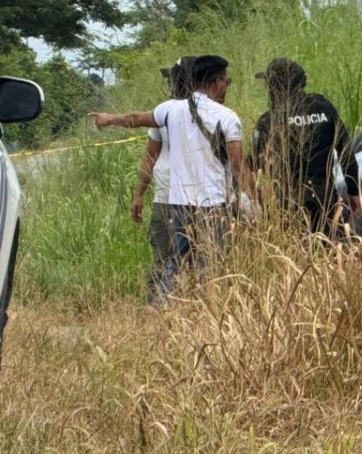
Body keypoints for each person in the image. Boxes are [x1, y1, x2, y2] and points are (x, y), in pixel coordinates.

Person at [90, 55, 249, 297]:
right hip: (214, 205)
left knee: (176, 263)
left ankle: (162, 309)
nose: (226, 85)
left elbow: (137, 119)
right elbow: (239, 167)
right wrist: (258, 197)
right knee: (211, 265)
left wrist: (111, 119)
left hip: (179, 204)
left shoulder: (170, 110)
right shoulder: (227, 116)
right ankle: (206, 312)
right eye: (226, 81)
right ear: (216, 82)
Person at [252, 58, 361, 237]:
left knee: (293, 249)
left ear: (274, 87)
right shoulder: (325, 108)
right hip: (324, 195)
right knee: (328, 248)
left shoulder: (269, 120)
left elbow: (258, 165)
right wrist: (353, 190)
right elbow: (346, 153)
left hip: (287, 197)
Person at [130, 56, 193, 301]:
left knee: (168, 257)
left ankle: (161, 305)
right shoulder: (162, 113)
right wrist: (139, 192)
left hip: (172, 197)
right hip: (178, 196)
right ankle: (160, 307)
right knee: (171, 257)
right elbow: (150, 156)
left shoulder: (166, 112)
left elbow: (150, 156)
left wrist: (139, 193)